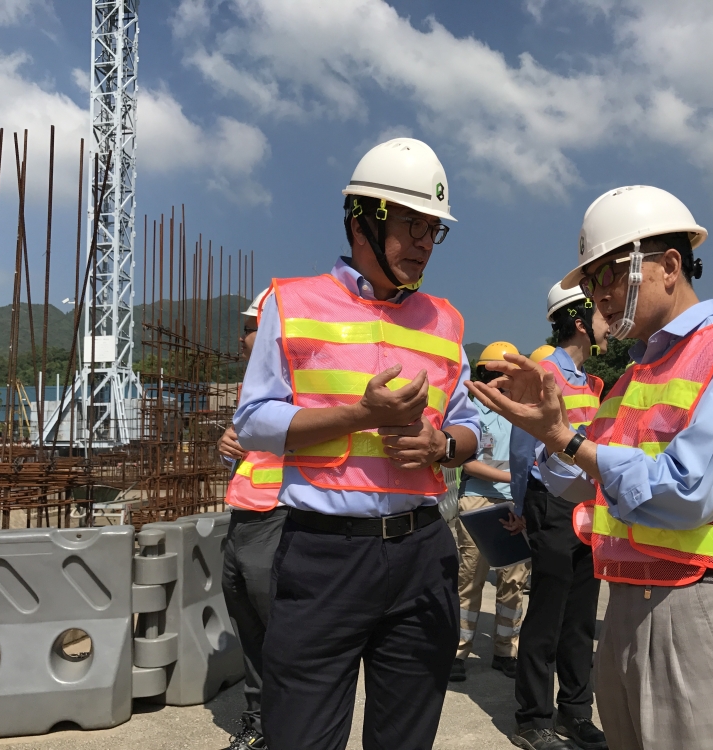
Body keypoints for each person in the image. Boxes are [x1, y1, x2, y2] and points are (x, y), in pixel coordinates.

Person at [468, 185, 713, 750]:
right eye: (592, 281)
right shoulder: (632, 377)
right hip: (626, 604)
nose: (598, 295)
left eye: (610, 275)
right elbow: (580, 483)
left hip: (701, 607)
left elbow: (688, 491)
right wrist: (546, 434)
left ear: (669, 266)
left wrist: (567, 443)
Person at [234, 137, 480, 750]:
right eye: (412, 224)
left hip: (422, 551)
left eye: (434, 230)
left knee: (406, 737)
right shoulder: (291, 305)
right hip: (323, 556)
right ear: (362, 220)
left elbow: (471, 427)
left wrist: (441, 446)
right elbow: (255, 422)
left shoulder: (446, 321)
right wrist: (359, 415)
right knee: (301, 736)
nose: (425, 242)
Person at [504, 285, 609, 750]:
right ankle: (533, 719)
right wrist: (525, 507)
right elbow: (522, 446)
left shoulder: (590, 380)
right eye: (604, 311)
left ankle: (575, 711)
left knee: (581, 618)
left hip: (589, 508)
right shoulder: (546, 372)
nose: (613, 318)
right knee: (547, 616)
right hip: (552, 506)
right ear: (582, 320)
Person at [219, 289, 282, 750]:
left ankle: (287, 726)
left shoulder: (297, 387)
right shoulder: (251, 389)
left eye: (248, 328)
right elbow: (245, 454)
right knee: (251, 630)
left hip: (278, 518)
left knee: (280, 634)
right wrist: (226, 447)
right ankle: (260, 721)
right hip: (242, 516)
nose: (242, 339)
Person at [451, 341, 529, 683]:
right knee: (469, 580)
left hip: (514, 506)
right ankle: (457, 651)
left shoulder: (522, 411)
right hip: (477, 503)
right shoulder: (471, 411)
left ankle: (505, 651)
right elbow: (465, 462)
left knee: (513, 583)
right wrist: (509, 477)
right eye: (497, 373)